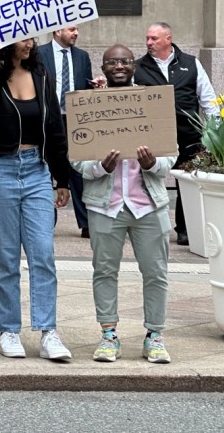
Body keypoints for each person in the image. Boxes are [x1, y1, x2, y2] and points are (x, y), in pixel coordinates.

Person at [0, 30, 72, 361]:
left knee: (43, 253)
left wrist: (62, 178)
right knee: (6, 257)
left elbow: (54, 124)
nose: (30, 44)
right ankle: (9, 329)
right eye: (24, 38)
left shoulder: (40, 74)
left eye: (32, 38)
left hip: (36, 169)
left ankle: (48, 331)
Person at [71, 45, 175, 364]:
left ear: (134, 66)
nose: (118, 66)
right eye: (111, 62)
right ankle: (109, 336)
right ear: (102, 67)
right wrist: (100, 167)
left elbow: (171, 156)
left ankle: (154, 337)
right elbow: (76, 159)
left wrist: (152, 163)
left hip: (149, 204)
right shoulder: (88, 104)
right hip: (106, 204)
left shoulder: (151, 101)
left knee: (155, 272)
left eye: (124, 61)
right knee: (104, 271)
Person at [134, 22, 219, 246]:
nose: (149, 43)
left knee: (187, 184)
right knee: (148, 180)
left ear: (168, 38)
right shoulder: (138, 67)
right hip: (153, 137)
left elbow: (209, 101)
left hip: (188, 136)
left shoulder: (191, 64)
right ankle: (146, 226)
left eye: (154, 38)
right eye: (147, 38)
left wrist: (213, 134)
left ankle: (185, 228)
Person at [38, 25, 97, 238]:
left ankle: (86, 222)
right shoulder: (39, 54)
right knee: (46, 164)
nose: (76, 33)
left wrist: (96, 88)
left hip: (75, 119)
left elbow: (86, 88)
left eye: (77, 29)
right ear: (56, 31)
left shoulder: (82, 56)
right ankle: (46, 218)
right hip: (48, 118)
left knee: (78, 170)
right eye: (71, 29)